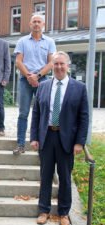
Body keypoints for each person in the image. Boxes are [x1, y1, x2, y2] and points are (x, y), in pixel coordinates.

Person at [30, 51, 88, 225]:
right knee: (45, 176)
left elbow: (84, 117)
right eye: (56, 64)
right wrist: (34, 137)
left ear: (68, 66)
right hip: (46, 137)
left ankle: (63, 213)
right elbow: (36, 113)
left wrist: (79, 142)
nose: (59, 67)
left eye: (62, 64)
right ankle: (43, 211)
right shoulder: (43, 86)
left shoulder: (79, 88)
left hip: (67, 140)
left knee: (65, 178)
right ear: (52, 66)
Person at [13, 14, 56, 154]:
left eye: (39, 22)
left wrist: (37, 76)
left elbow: (51, 63)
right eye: (34, 22)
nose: (36, 24)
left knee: (43, 112)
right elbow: (18, 61)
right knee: (23, 113)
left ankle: (40, 143)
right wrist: (29, 76)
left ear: (43, 25)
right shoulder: (22, 41)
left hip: (43, 81)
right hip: (25, 80)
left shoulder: (50, 42)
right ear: (30, 24)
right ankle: (20, 144)